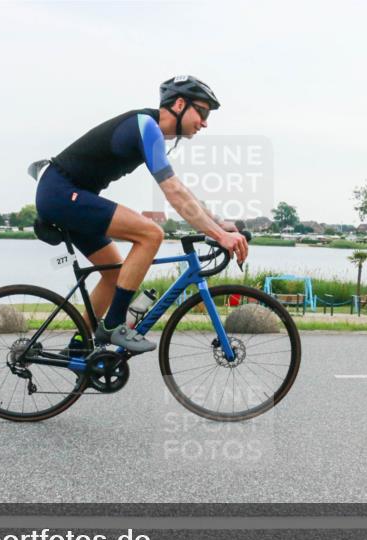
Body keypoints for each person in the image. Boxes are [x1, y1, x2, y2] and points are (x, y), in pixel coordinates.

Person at [33, 75, 249, 354]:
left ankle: (79, 347)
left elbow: (181, 190)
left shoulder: (150, 131)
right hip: (61, 193)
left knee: (113, 273)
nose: (205, 122)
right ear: (179, 104)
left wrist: (220, 224)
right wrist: (219, 237)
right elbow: (173, 192)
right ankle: (113, 326)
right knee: (150, 233)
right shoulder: (146, 126)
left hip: (67, 196)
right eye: (203, 112)